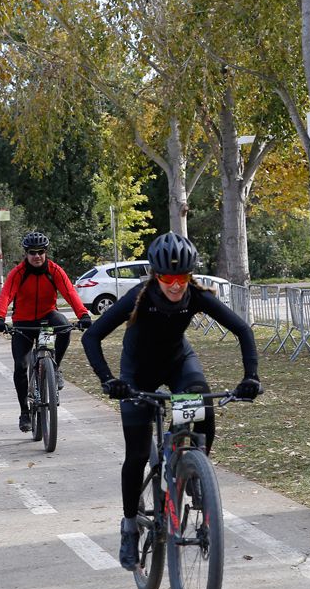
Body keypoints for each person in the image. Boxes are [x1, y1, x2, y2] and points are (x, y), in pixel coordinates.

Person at [81, 231, 262, 570]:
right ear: (156, 275)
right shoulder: (140, 296)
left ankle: (194, 472)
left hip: (179, 363)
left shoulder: (195, 295)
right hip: (137, 373)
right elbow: (92, 336)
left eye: (182, 278)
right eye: (168, 278)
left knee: (204, 408)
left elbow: (242, 330)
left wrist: (250, 376)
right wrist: (109, 380)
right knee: (136, 454)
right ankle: (130, 527)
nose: (176, 285)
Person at [0, 231, 92, 431]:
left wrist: (83, 315)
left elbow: (70, 292)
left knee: (64, 327)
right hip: (23, 322)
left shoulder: (54, 270)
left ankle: (55, 368)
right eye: (32, 252)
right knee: (20, 366)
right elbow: (6, 295)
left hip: (47, 316)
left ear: (46, 252)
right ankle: (24, 412)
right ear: (26, 254)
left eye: (41, 252)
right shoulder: (18, 272)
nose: (37, 256)